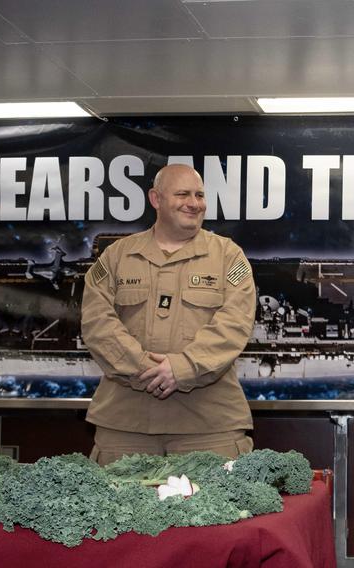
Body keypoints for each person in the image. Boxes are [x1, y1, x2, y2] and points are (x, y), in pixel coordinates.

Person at [81, 163, 256, 465]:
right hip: (125, 423)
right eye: (183, 194)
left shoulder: (228, 257)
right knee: (119, 511)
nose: (194, 203)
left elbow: (234, 325)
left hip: (209, 424)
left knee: (214, 511)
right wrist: (144, 369)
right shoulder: (117, 256)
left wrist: (183, 368)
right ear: (156, 199)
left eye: (200, 195)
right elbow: (97, 323)